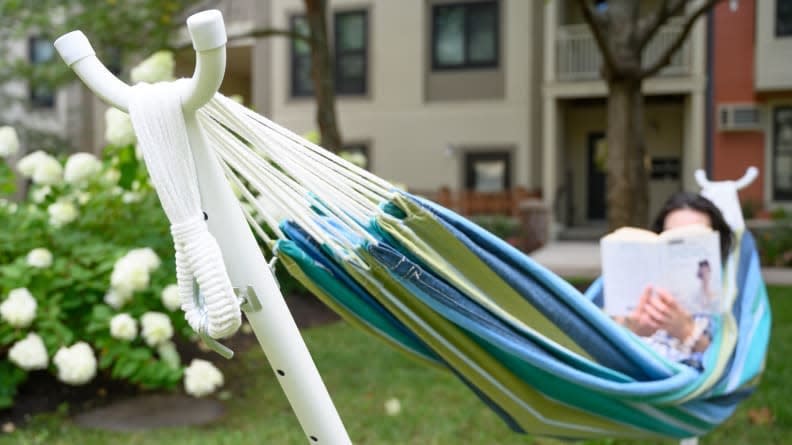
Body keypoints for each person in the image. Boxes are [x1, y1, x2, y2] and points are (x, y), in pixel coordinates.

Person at [619, 192, 733, 369]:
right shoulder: (637, 284)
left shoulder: (728, 294)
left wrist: (686, 332)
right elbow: (609, 344)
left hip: (686, 382)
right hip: (633, 375)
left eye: (695, 238)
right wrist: (632, 331)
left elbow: (726, 368)